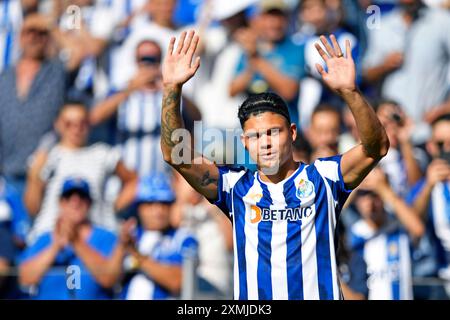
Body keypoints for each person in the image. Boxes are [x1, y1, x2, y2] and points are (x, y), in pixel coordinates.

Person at [160, 30, 389, 300]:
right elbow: (176, 155)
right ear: (245, 143)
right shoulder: (235, 187)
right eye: (256, 136)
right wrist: (171, 89)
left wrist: (351, 92)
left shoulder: (324, 178)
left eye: (273, 133)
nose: (265, 142)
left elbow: (376, 147)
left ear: (292, 133)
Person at [24, 102, 137, 243]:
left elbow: (133, 180)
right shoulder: (48, 157)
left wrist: (113, 207)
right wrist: (34, 177)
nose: (76, 129)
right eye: (69, 124)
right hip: (52, 234)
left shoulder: (102, 153)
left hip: (96, 233)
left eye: (82, 123)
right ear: (58, 124)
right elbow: (32, 208)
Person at [19, 178, 122, 299]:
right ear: (61, 203)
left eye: (82, 197)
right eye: (69, 197)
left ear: (89, 203)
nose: (75, 202)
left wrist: (76, 242)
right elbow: (25, 279)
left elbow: (110, 279)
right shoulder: (44, 239)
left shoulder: (107, 238)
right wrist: (55, 246)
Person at [0, 13, 67, 197]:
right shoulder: (5, 76)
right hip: (5, 174)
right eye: (30, 31)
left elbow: (79, 52)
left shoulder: (57, 71)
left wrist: (51, 26)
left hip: (43, 174)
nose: (34, 37)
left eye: (41, 33)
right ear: (20, 37)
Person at [90, 39, 171, 177]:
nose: (148, 63)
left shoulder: (169, 93)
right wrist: (132, 87)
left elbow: (196, 117)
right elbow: (94, 118)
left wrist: (170, 85)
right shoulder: (120, 91)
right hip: (126, 182)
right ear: (136, 60)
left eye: (153, 59)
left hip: (161, 181)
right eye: (144, 58)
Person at [348, 168, 425, 300]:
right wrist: (353, 186)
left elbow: (418, 229)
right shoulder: (353, 234)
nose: (370, 202)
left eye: (375, 195)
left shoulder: (397, 226)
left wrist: (384, 188)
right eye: (363, 196)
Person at [120, 173, 198, 300]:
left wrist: (137, 256)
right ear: (139, 207)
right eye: (151, 203)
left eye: (164, 203)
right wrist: (120, 247)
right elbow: (107, 278)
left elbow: (179, 282)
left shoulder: (184, 238)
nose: (159, 211)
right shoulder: (131, 235)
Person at [229, 0, 305, 128]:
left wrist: (257, 59)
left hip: (284, 131)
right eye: (268, 17)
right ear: (258, 20)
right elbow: (232, 90)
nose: (274, 23)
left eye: (278, 17)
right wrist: (252, 63)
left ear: (286, 20)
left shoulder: (295, 49)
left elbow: (289, 91)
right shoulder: (250, 50)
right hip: (253, 131)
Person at [409, 114, 450, 296]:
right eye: (441, 144)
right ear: (430, 146)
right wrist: (428, 187)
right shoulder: (424, 185)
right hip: (438, 275)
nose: (447, 149)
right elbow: (411, 224)